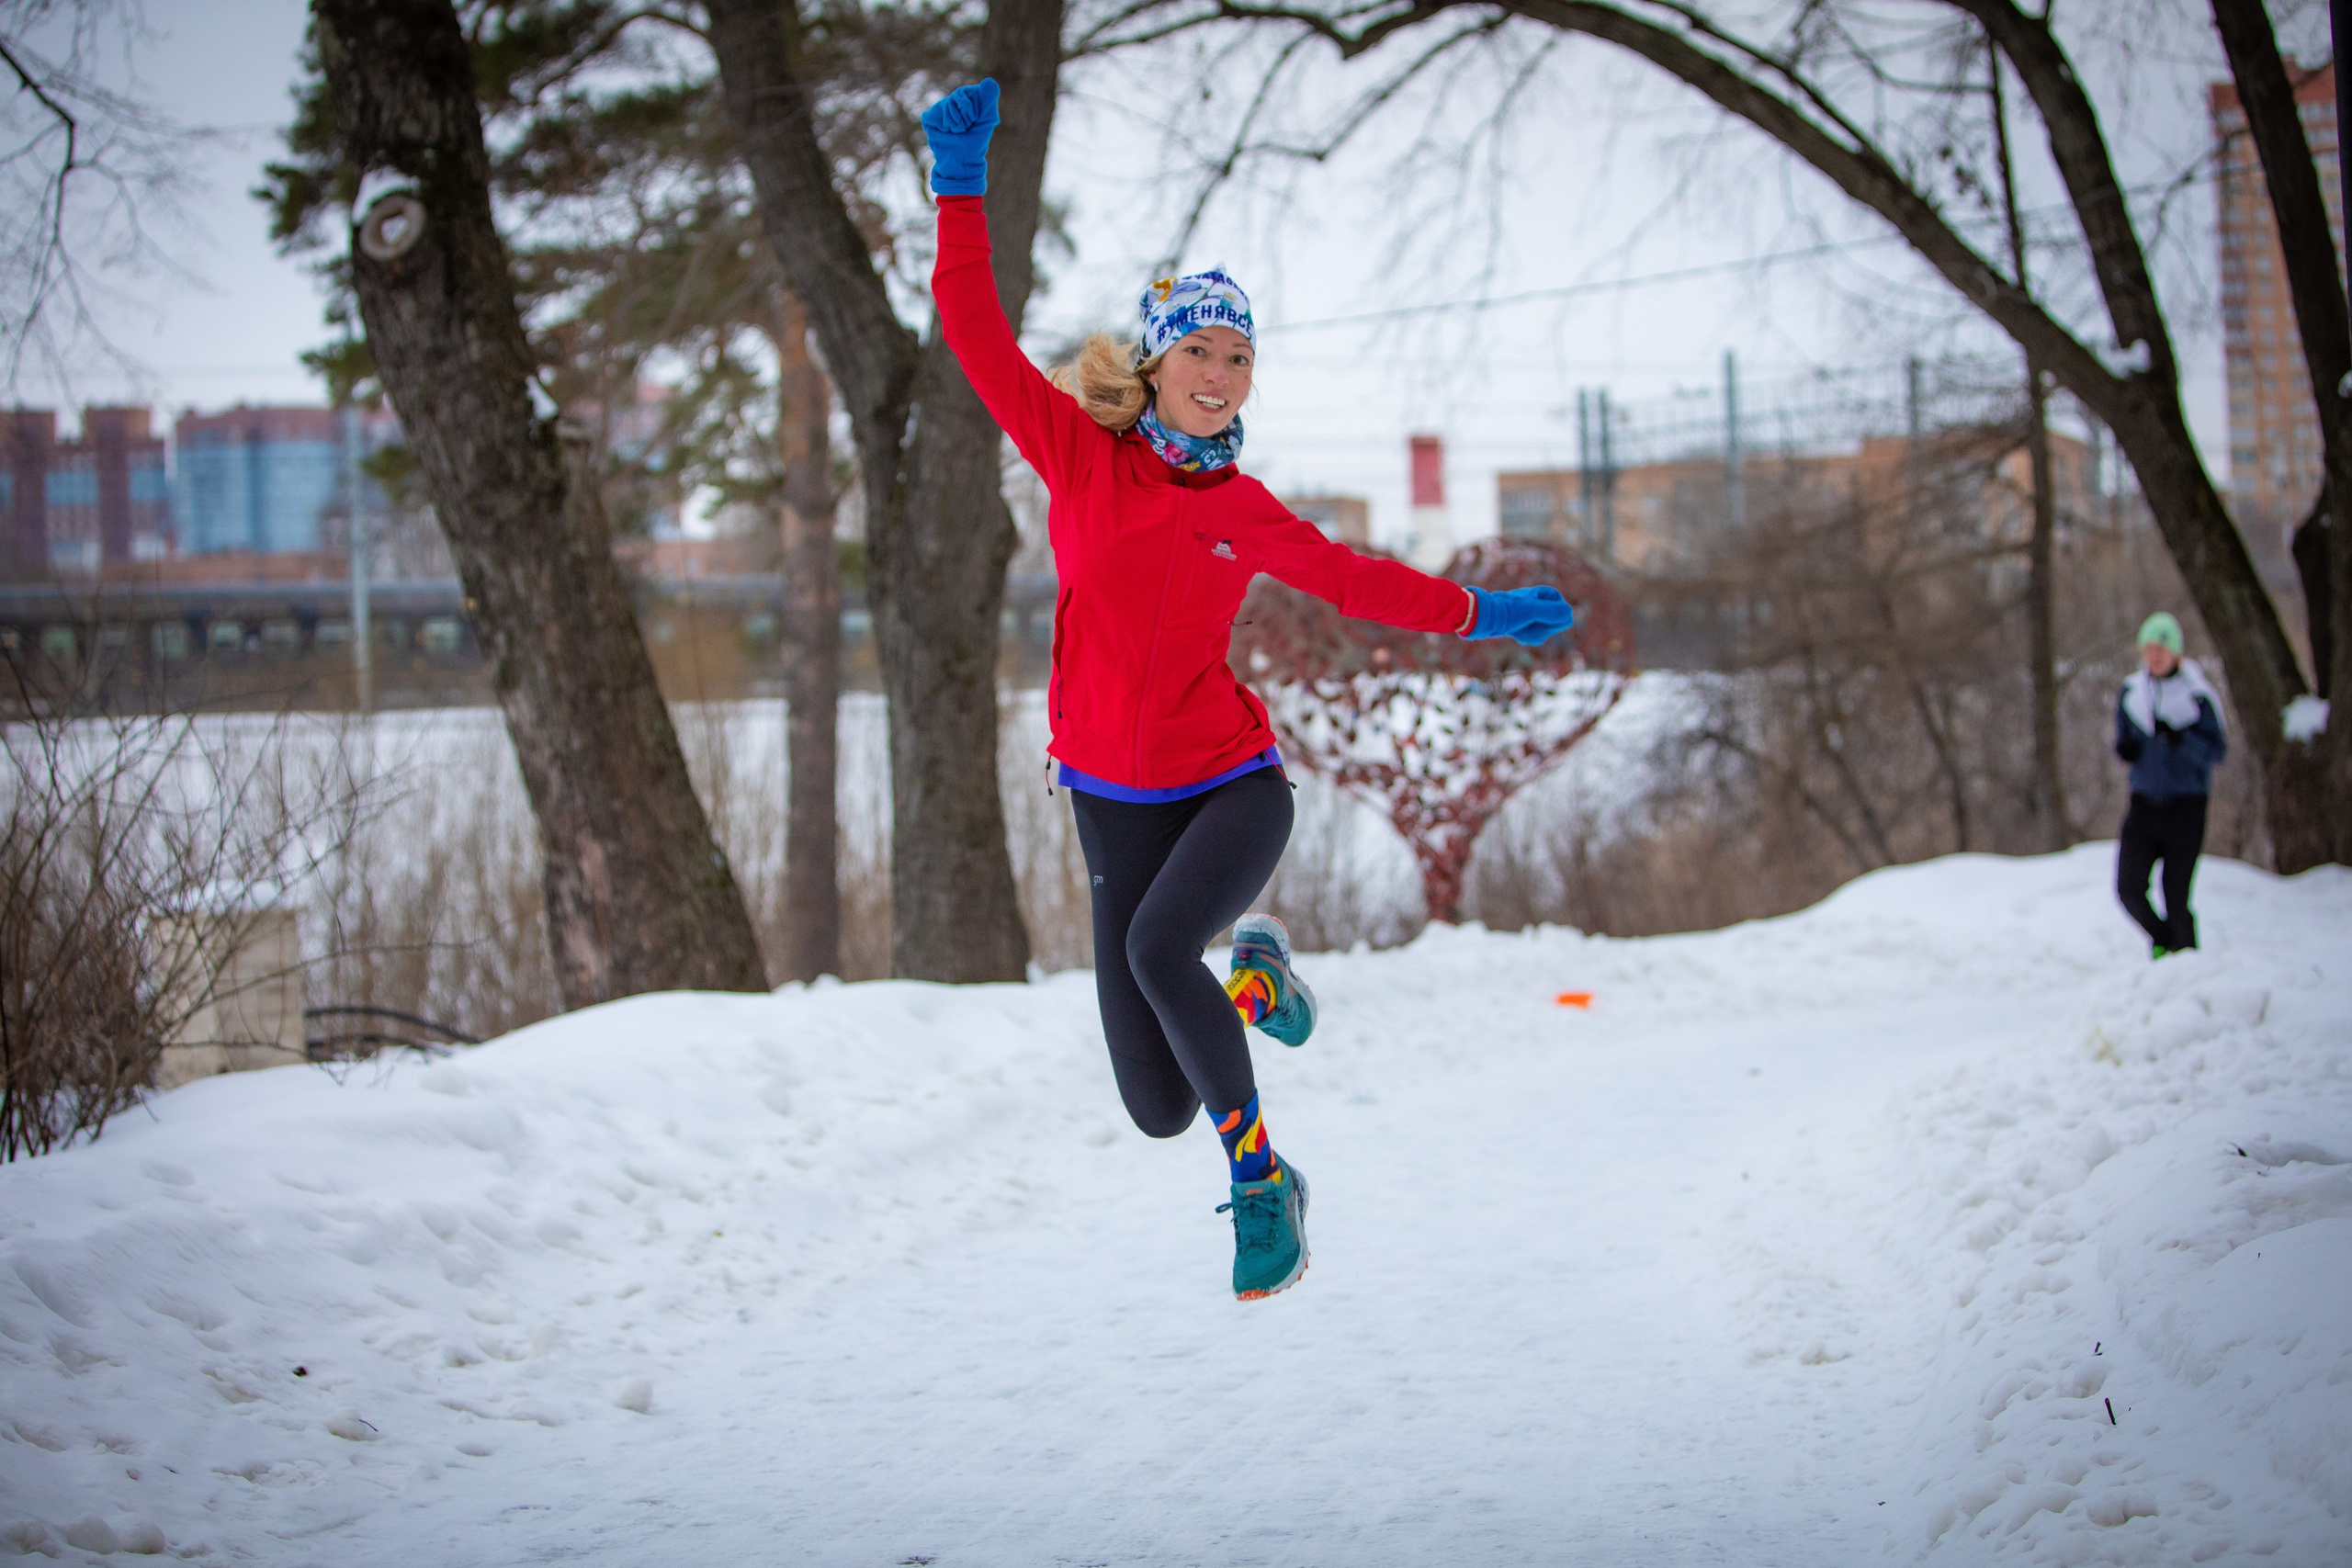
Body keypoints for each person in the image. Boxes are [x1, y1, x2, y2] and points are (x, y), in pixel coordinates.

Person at [920, 80, 1577, 1300]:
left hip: (1231, 782)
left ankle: (1266, 1183)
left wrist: (1482, 612)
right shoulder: (1078, 456)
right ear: (1157, 360)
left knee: (1163, 946)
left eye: (1241, 357)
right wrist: (961, 187)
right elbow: (972, 329)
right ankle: (1257, 973)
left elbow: (1357, 581)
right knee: (1155, 1103)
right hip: (1109, 795)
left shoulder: (1244, 510)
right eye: (1201, 352)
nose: (1222, 374)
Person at [2112, 611, 2226, 956]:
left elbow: (2216, 753)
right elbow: (2124, 740)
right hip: (2144, 804)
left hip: (2186, 807)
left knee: (2175, 896)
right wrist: (2126, 748)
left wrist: (2182, 740)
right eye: (2148, 649)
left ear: (2176, 652)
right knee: (2129, 888)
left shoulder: (2197, 698)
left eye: (2161, 649)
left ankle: (2189, 964)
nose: (2154, 656)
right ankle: (2166, 943)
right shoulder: (2132, 694)